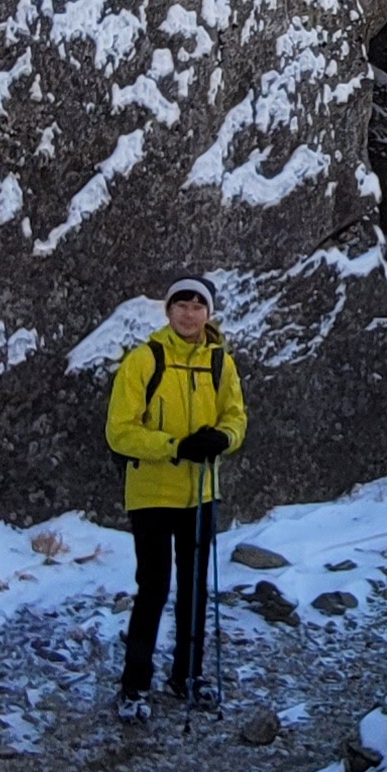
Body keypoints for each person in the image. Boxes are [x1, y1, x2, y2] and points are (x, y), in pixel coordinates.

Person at [105, 276, 245, 720]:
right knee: (153, 588)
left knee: (195, 589)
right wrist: (174, 447)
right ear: (167, 311)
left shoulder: (220, 362)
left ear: (208, 313)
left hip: (201, 492)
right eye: (181, 305)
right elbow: (119, 431)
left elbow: (236, 416)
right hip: (151, 492)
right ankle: (134, 685)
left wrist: (223, 438)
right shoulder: (144, 359)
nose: (189, 314)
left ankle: (187, 674)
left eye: (197, 305)